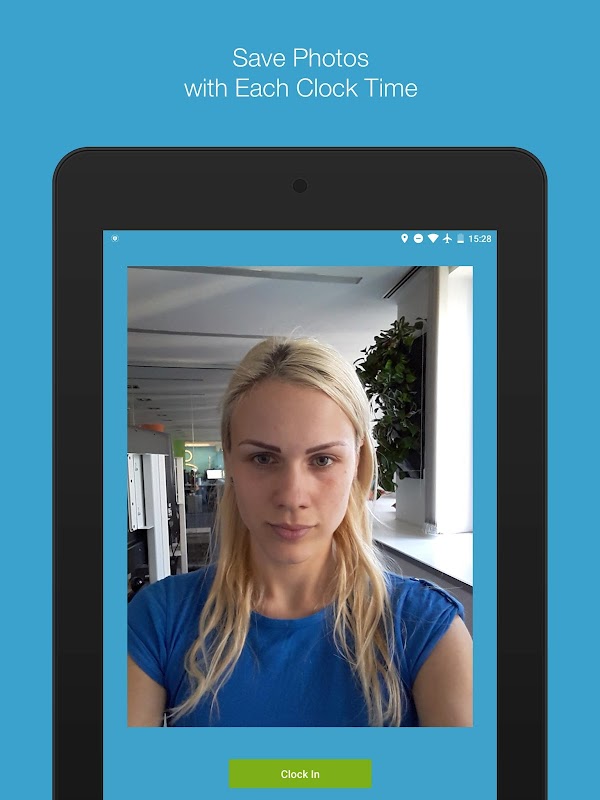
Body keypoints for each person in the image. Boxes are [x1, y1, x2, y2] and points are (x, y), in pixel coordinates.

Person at [128, 337, 472, 727]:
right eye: (263, 458)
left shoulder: (427, 630)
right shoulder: (158, 620)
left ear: (358, 464)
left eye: (323, 459)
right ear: (231, 462)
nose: (292, 497)